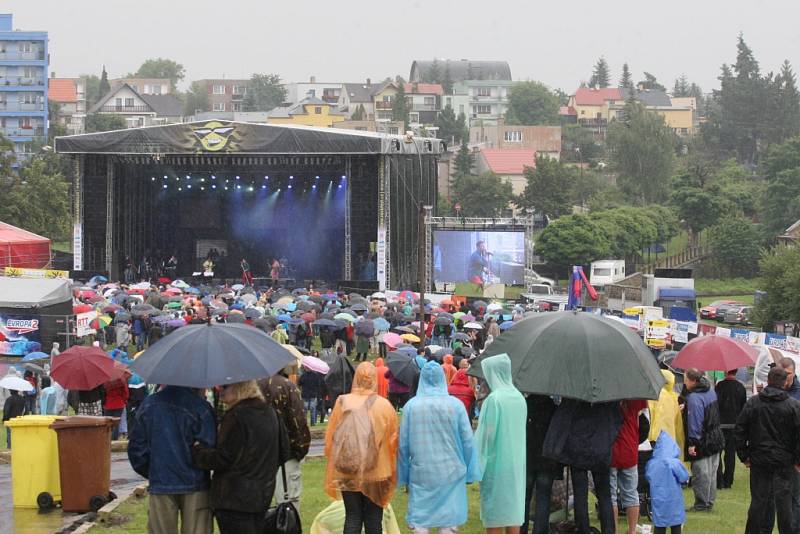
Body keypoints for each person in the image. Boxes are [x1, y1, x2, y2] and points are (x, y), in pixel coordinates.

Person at [398, 362, 481, 534]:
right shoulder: (456, 406)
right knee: (448, 520)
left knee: (420, 517)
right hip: (451, 471)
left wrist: (404, 475)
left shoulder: (411, 407)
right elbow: (467, 440)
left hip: (422, 472)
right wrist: (471, 471)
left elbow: (403, 446)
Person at [192, 381, 281, 534]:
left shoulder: (236, 416)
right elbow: (283, 451)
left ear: (241, 387)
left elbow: (223, 458)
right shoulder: (270, 412)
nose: (220, 390)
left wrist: (198, 451)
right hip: (261, 495)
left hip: (233, 498)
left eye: (225, 386)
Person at [128, 386, 217, 534]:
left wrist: (153, 471)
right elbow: (210, 447)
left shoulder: (149, 404)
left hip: (161, 481)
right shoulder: (201, 407)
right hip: (196, 482)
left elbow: (137, 448)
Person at [325, 362, 399, 534]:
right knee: (374, 520)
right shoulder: (384, 405)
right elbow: (393, 439)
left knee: (352, 516)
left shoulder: (342, 402)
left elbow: (331, 437)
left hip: (347, 468)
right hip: (377, 471)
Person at [735, 366, 800, 534]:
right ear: (785, 382)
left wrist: (744, 455)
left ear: (769, 380)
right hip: (781, 460)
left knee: (759, 501)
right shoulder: (793, 406)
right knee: (784, 503)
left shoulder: (754, 403)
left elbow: (740, 429)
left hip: (762, 458)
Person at [543, 398, 622, 534]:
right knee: (604, 496)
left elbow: (564, 418)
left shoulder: (574, 395)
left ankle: (583, 530)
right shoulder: (608, 397)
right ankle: (608, 530)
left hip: (577, 449)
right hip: (600, 448)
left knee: (581, 495)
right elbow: (616, 420)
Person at [474, 353, 526, 534]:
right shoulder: (519, 398)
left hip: (496, 463)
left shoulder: (494, 400)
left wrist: (476, 465)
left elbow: (486, 436)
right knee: (513, 510)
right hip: (516, 463)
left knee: (494, 511)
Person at [259, 370, 311, 514]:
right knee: (287, 509)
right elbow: (298, 421)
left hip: (258, 458)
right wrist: (300, 450)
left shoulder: (252, 386)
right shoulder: (288, 386)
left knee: (259, 508)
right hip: (286, 456)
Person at [683, 368, 724, 512]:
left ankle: (701, 504)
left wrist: (692, 443)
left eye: (686, 379)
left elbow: (695, 422)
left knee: (701, 473)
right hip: (716, 435)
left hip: (703, 439)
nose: (684, 382)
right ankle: (709, 502)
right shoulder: (710, 390)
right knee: (712, 472)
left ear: (693, 381)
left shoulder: (694, 397)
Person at [521, 394, 559, 534]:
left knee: (524, 498)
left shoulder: (524, 405)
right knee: (543, 498)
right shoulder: (553, 409)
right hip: (546, 459)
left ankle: (521, 530)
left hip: (528, 457)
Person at [610, 399, 648, 534]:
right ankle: (632, 530)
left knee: (611, 495)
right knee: (631, 493)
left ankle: (613, 530)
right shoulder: (636, 396)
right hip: (630, 448)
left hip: (610, 449)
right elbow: (643, 420)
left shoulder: (606, 396)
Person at [646, 431, 690, 534]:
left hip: (658, 499)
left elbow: (648, 477)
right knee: (676, 525)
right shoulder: (674, 462)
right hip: (674, 500)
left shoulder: (651, 463)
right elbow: (684, 477)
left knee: (659, 525)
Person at [715, 369, 746, 489]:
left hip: (720, 425)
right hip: (734, 425)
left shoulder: (719, 386)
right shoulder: (741, 387)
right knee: (730, 454)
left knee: (717, 454)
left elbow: (715, 404)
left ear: (725, 371)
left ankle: (719, 480)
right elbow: (744, 407)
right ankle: (728, 480)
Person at [648, 369, 684, 454]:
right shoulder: (673, 398)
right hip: (670, 438)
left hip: (654, 437)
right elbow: (677, 422)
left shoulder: (653, 396)